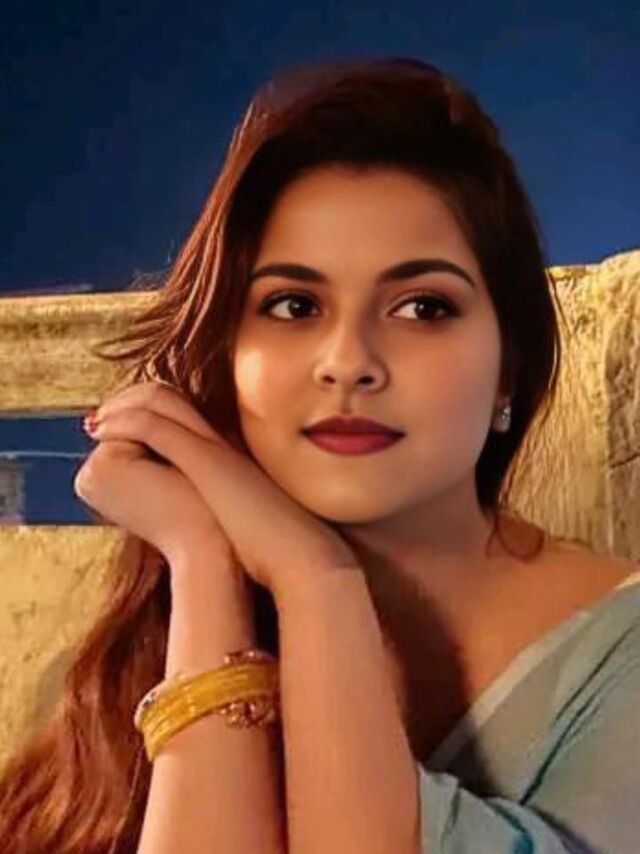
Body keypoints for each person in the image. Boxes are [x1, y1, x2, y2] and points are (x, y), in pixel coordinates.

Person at [1, 56, 638, 853]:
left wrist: (316, 581)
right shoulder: (147, 633)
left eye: (421, 307)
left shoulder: (622, 663)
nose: (348, 362)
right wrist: (206, 563)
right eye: (294, 305)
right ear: (226, 351)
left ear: (509, 364)